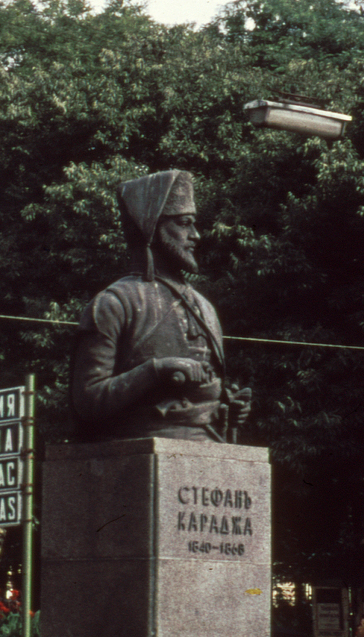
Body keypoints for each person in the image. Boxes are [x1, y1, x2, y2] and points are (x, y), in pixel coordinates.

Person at [69, 169, 252, 443]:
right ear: (151, 228)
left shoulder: (205, 308)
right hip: (140, 447)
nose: (196, 235)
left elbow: (209, 393)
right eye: (184, 223)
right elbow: (88, 401)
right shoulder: (114, 303)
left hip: (208, 448)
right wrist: (155, 370)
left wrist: (230, 407)